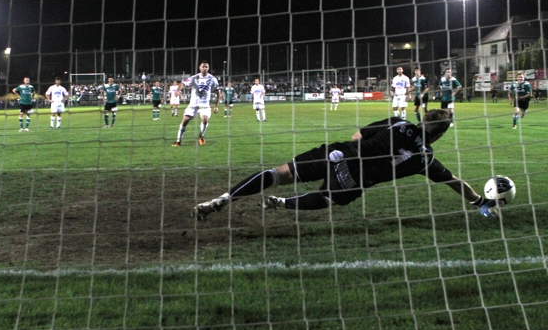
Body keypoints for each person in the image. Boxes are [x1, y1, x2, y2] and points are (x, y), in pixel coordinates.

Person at [192, 109, 501, 221]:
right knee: (328, 198)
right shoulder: (427, 159)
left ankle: (224, 198)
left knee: (278, 173)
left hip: (341, 155)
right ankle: (283, 205)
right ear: (442, 133)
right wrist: (478, 202)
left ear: (423, 119)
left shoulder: (398, 123)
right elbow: (453, 181)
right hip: (355, 180)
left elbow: (358, 134)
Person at [172, 61, 220, 146]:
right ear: (199, 67)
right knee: (185, 120)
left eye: (206, 67)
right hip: (193, 104)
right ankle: (178, 141)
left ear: (208, 68)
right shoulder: (194, 77)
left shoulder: (212, 79)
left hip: (204, 105)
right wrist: (178, 91)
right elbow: (183, 82)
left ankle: (201, 136)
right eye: (203, 66)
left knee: (205, 119)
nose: (205, 68)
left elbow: (218, 92)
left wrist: (216, 106)